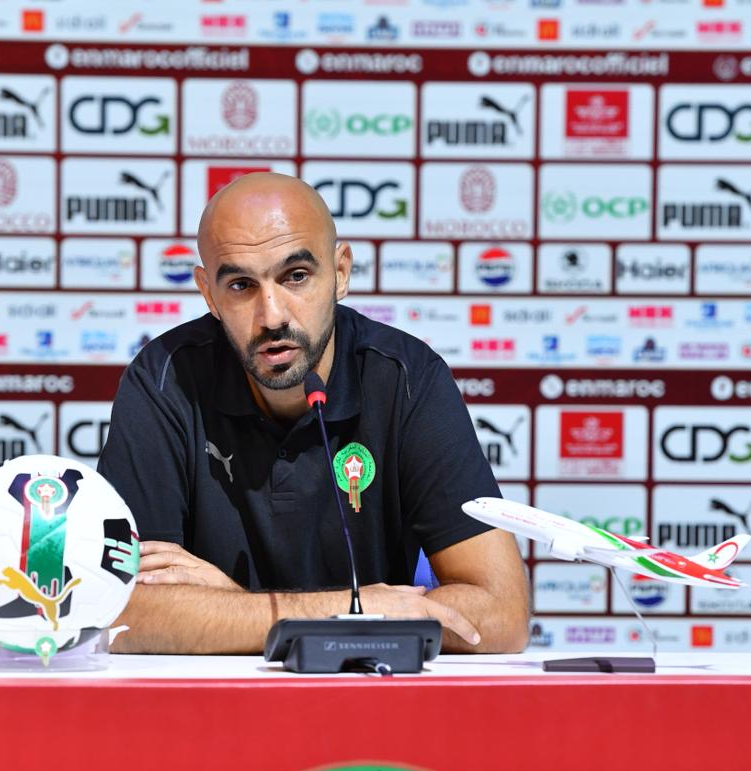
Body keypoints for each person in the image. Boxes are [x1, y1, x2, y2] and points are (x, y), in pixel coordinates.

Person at [98, 173, 529, 654]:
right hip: (217, 694)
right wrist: (355, 612)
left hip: (367, 688)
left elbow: (502, 614)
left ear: (340, 273)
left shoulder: (407, 378)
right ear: (208, 294)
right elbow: (120, 611)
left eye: (296, 276)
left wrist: (229, 609)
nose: (272, 316)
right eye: (240, 285)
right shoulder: (164, 379)